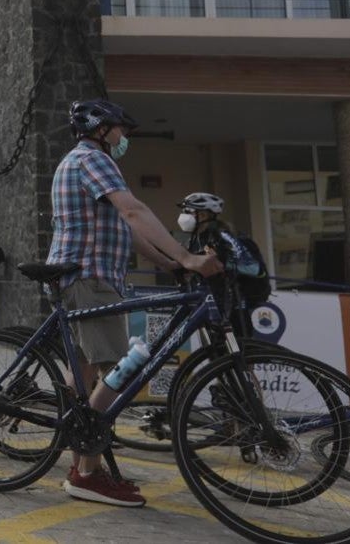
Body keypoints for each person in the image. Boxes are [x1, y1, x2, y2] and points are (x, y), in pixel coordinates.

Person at [47, 99, 221, 507]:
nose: (124, 138)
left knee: (84, 373)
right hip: (90, 277)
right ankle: (86, 473)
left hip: (83, 276)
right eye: (121, 130)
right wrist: (187, 258)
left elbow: (127, 231)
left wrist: (168, 263)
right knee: (119, 369)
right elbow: (132, 211)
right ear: (100, 129)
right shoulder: (93, 159)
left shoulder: (83, 160)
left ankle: (81, 459)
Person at [176, 192, 267, 338]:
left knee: (240, 354)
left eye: (188, 211)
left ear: (204, 215)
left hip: (234, 308)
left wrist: (222, 263)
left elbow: (254, 269)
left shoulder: (223, 235)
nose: (183, 216)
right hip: (211, 307)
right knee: (216, 356)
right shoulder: (195, 239)